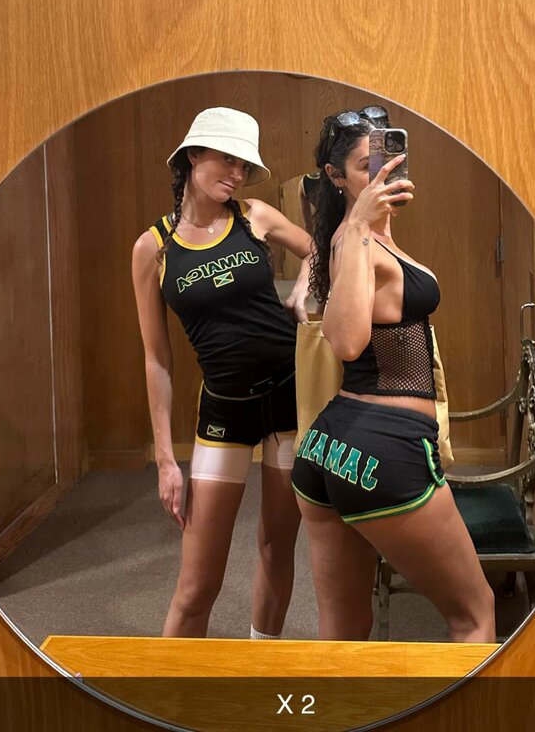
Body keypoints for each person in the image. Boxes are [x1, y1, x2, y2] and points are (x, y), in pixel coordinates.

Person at [291, 108, 496, 642]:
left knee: (344, 629)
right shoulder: (353, 239)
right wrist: (359, 224)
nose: (383, 174)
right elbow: (346, 341)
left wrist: (363, 227)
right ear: (336, 177)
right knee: (476, 616)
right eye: (366, 167)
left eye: (389, 161)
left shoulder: (361, 239)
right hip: (384, 447)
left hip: (331, 447)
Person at [132, 107, 313, 640]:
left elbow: (318, 251)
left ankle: (260, 666)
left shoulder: (255, 216)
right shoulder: (153, 248)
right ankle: (170, 688)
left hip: (289, 398)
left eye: (243, 166)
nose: (236, 174)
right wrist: (166, 460)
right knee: (196, 585)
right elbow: (157, 360)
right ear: (193, 156)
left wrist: (302, 291)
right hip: (225, 411)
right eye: (227, 160)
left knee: (276, 547)